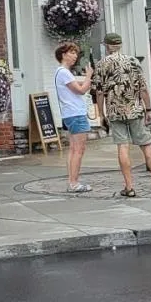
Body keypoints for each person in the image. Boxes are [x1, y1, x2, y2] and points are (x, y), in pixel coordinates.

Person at [90, 32, 151, 197]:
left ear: (106, 46)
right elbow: (143, 88)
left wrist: (101, 114)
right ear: (120, 45)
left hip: (115, 111)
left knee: (123, 146)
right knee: (146, 145)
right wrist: (148, 109)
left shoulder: (101, 65)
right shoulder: (133, 61)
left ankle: (129, 188)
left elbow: (99, 93)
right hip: (135, 110)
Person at [55, 42, 94, 193]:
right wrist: (89, 76)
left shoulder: (61, 72)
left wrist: (87, 80)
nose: (75, 56)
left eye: (76, 53)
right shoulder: (64, 72)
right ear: (63, 55)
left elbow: (76, 85)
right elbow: (81, 90)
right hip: (76, 114)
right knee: (79, 150)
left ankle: (72, 181)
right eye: (72, 53)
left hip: (69, 114)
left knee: (73, 149)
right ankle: (74, 183)